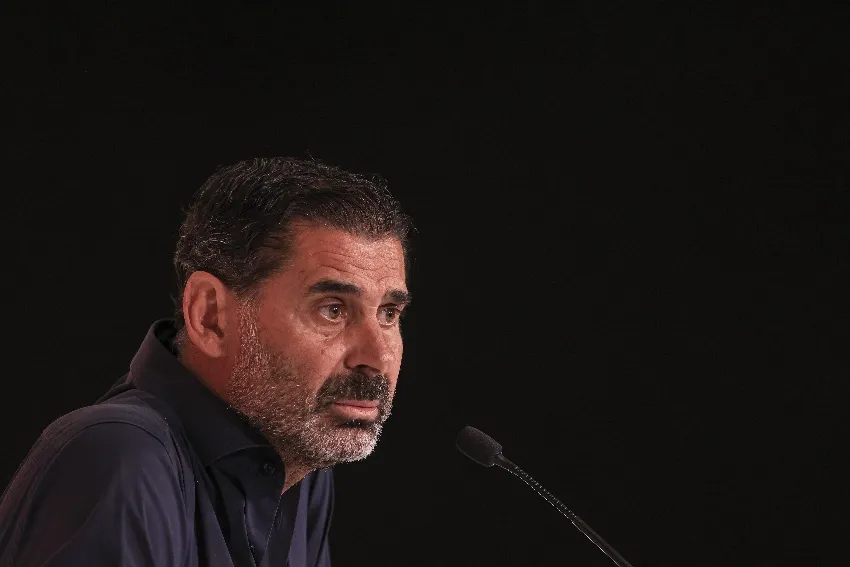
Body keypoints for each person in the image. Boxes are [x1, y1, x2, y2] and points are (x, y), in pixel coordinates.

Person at [0, 157, 414, 567]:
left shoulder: (300, 462)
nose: (376, 358)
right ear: (210, 316)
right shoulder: (120, 459)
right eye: (332, 310)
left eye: (389, 314)